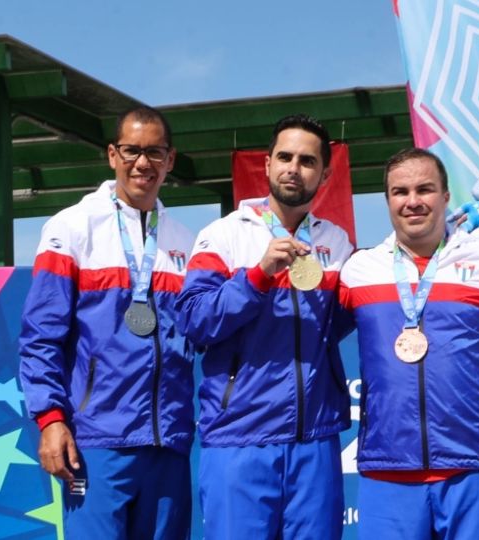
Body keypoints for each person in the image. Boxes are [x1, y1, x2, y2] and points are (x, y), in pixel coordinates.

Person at [19, 106, 195, 540]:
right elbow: (41, 335)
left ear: (170, 160)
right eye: (132, 150)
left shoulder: (188, 242)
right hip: (97, 441)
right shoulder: (72, 227)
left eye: (155, 152)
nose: (143, 163)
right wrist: (51, 420)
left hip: (167, 443)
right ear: (112, 155)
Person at [177, 114, 353, 539]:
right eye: (285, 157)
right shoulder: (223, 235)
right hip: (240, 438)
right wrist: (256, 277)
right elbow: (194, 320)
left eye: (308, 161)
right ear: (268, 164)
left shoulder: (338, 241)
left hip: (315, 438)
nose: (295, 168)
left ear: (324, 174)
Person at [337, 148, 479, 539]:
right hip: (388, 469)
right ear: (387, 201)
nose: (412, 201)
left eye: (425, 189)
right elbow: (309, 341)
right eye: (400, 192)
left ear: (446, 197)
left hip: (473, 465)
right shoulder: (358, 270)